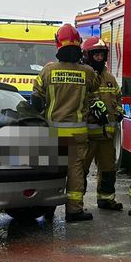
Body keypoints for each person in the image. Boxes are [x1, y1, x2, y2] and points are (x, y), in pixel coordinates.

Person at [31, 23, 100, 222]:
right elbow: (95, 88)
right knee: (75, 171)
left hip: (53, 132)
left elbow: (36, 101)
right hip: (78, 134)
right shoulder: (87, 72)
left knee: (51, 172)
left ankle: (48, 209)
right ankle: (74, 210)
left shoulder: (47, 71)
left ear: (57, 44)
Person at [81, 36, 123, 211]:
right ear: (87, 56)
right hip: (87, 137)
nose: (99, 58)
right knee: (80, 171)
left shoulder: (110, 79)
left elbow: (118, 100)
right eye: (96, 55)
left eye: (101, 55)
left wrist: (119, 113)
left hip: (107, 135)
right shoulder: (83, 76)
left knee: (108, 169)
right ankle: (76, 203)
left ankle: (106, 199)